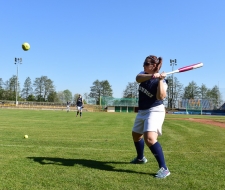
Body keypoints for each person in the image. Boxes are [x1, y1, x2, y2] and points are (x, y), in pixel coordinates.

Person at [130, 55, 170, 179]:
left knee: (150, 138)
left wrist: (159, 80)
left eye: (146, 64)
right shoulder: (143, 74)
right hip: (142, 110)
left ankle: (164, 169)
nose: (143, 66)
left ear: (153, 66)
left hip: (155, 110)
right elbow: (137, 78)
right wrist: (153, 76)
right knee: (136, 135)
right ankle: (141, 158)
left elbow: (161, 97)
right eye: (144, 63)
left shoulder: (163, 81)